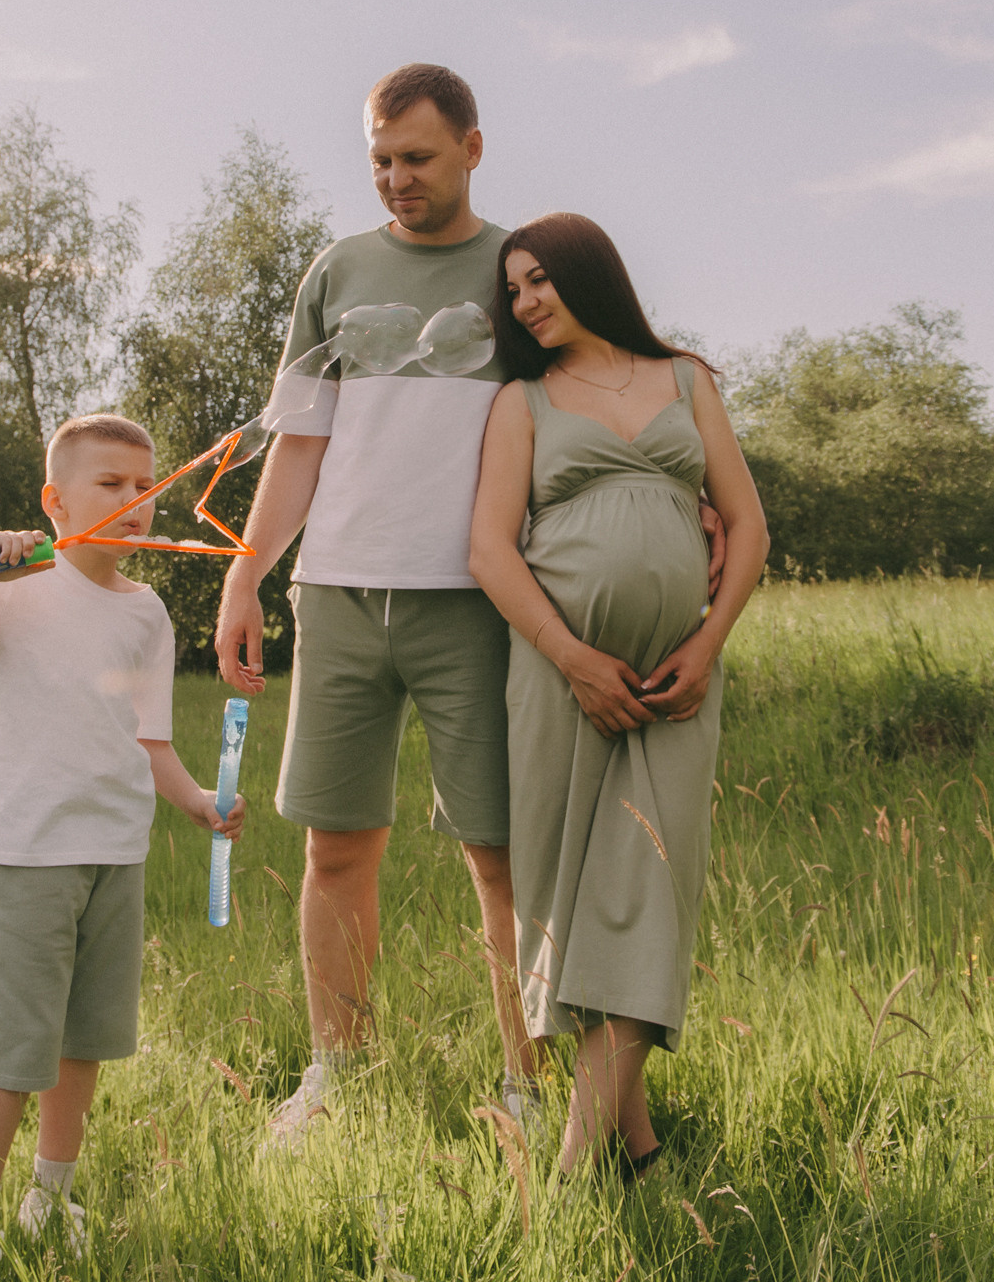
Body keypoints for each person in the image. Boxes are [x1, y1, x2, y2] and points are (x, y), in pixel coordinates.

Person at [214, 63, 542, 1147]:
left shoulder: (522, 268)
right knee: (335, 848)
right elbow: (301, 437)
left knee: (499, 856)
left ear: (473, 149)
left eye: (419, 157)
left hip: (478, 602)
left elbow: (594, 397)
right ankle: (335, 1078)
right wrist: (247, 570)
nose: (396, 178)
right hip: (341, 593)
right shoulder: (337, 270)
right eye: (380, 159)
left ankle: (528, 1086)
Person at [0, 413, 247, 1252]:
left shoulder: (148, 613)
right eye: (109, 484)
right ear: (55, 499)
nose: (133, 501)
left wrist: (194, 802)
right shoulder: (16, 583)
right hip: (31, 851)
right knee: (11, 1051)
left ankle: (52, 1198)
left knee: (84, 1045)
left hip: (118, 854)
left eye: (145, 487)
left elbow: (149, 740)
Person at [467, 212, 769, 1181]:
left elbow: (752, 528)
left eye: (540, 279)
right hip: (562, 679)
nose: (526, 301)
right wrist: (571, 656)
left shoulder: (686, 378)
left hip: (677, 680)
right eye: (513, 290)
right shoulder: (521, 400)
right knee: (563, 906)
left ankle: (565, 1176)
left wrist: (709, 641)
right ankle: (637, 1155)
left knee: (653, 897)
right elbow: (488, 550)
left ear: (590, 275)